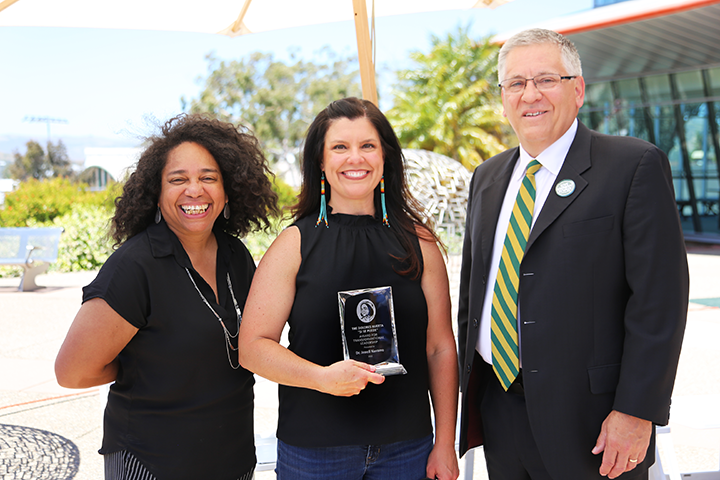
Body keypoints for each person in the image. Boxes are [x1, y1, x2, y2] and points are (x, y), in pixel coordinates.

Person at [457, 28, 689, 480]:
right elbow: (474, 296)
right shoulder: (486, 179)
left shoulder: (632, 166)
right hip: (501, 412)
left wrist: (636, 412)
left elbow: (659, 302)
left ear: (577, 89)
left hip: (595, 425)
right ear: (503, 97)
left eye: (546, 79)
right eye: (516, 83)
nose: (530, 95)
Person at [237, 97, 460, 480]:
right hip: (314, 451)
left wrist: (444, 443)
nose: (354, 158)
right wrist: (321, 378)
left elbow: (439, 347)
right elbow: (253, 348)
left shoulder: (420, 243)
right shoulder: (294, 244)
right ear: (321, 163)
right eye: (340, 147)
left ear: (385, 156)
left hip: (408, 449)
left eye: (367, 146)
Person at [54, 113, 278, 480]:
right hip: (153, 461)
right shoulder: (135, 266)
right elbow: (73, 372)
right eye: (178, 179)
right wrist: (141, 368)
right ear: (155, 194)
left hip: (232, 459)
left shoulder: (236, 255)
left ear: (228, 190)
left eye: (209, 178)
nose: (195, 190)